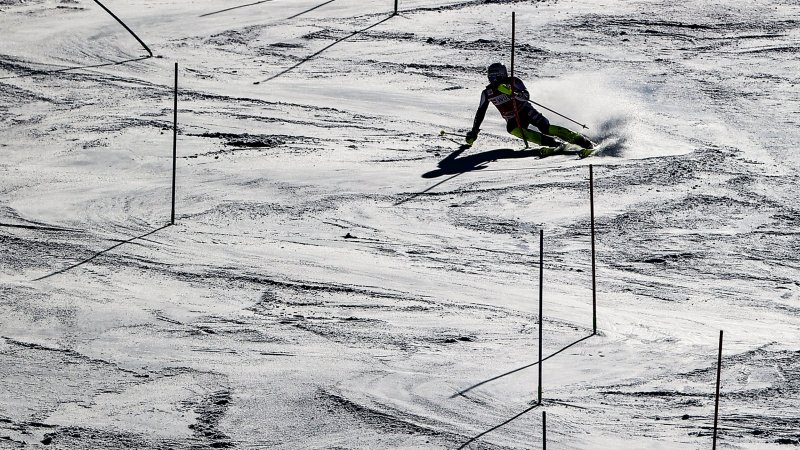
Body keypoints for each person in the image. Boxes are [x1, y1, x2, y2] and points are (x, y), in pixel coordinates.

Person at [466, 63, 593, 156]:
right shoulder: (487, 93)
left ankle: (581, 140)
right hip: (512, 117)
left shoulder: (513, 82)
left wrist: (513, 93)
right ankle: (552, 143)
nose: (493, 81)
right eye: (490, 78)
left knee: (545, 128)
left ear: (502, 75)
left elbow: (526, 96)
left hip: (525, 110)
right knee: (512, 129)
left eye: (495, 78)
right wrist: (474, 131)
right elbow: (481, 112)